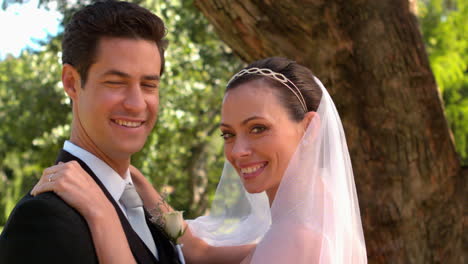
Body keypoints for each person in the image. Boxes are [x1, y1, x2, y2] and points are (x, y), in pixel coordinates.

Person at [29, 57, 368, 263]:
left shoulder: (299, 237)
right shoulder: (309, 218)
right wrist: (134, 181)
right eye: (228, 134)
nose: (238, 151)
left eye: (258, 128)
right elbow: (199, 253)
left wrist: (102, 214)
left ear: (309, 128)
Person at [0, 1, 181, 263]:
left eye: (148, 84)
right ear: (71, 83)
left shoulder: (146, 202)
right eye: (116, 83)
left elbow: (196, 249)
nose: (136, 103)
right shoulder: (45, 218)